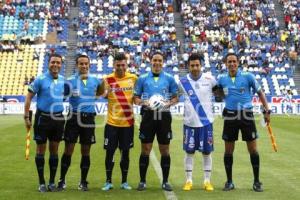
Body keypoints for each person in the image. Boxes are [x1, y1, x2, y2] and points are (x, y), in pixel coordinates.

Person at [217, 53, 271, 192]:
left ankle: (257, 182)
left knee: (253, 149)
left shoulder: (248, 76)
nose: (232, 64)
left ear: (238, 63)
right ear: (225, 63)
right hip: (230, 115)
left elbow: (260, 93)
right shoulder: (221, 78)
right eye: (229, 62)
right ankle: (229, 182)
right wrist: (224, 101)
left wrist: (267, 110)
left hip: (246, 115)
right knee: (228, 151)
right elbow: (218, 94)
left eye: (234, 61)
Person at [134, 51, 179, 191]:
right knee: (146, 149)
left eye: (160, 60)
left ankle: (165, 181)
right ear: (150, 61)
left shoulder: (170, 79)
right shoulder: (142, 78)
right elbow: (135, 98)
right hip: (148, 116)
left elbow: (176, 98)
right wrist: (144, 102)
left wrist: (167, 104)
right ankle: (142, 181)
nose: (157, 63)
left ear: (163, 62)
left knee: (164, 149)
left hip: (164, 116)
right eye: (155, 60)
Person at [57, 54, 103, 191]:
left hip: (88, 119)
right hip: (73, 118)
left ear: (89, 65)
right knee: (68, 150)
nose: (83, 66)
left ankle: (83, 181)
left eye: (86, 64)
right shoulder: (69, 81)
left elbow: (100, 92)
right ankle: (62, 180)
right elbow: (62, 97)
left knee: (86, 151)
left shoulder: (96, 80)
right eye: (81, 64)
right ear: (77, 65)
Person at [24, 53, 65, 192]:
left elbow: (63, 97)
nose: (55, 65)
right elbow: (29, 97)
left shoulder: (63, 80)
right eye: (53, 62)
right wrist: (26, 117)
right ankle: (42, 182)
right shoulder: (40, 79)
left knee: (54, 149)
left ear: (61, 65)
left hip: (59, 118)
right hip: (43, 118)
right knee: (41, 149)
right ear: (49, 63)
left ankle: (52, 182)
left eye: (58, 63)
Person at [179, 53, 217, 191]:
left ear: (201, 65)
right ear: (188, 66)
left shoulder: (210, 79)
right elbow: (175, 97)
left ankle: (207, 181)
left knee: (207, 153)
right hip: (189, 123)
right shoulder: (182, 82)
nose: (195, 68)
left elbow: (219, 94)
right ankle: (188, 181)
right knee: (189, 152)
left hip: (206, 123)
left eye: (197, 65)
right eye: (192, 65)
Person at [101, 53, 138, 191]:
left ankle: (124, 182)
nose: (121, 67)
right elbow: (101, 95)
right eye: (118, 65)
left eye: (123, 65)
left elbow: (137, 96)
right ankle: (108, 181)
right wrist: (105, 93)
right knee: (109, 153)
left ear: (127, 65)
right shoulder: (107, 79)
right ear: (114, 65)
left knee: (125, 153)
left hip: (127, 124)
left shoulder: (133, 78)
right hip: (111, 123)